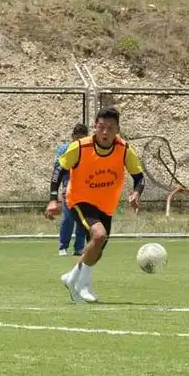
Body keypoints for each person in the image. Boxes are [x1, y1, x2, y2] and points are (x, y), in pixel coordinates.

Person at [44, 107, 145, 303]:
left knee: (95, 251)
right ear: (95, 128)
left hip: (106, 206)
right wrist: (52, 199)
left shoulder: (124, 149)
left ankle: (71, 277)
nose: (105, 132)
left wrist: (136, 193)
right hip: (79, 200)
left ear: (117, 129)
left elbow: (139, 176)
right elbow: (59, 168)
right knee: (98, 235)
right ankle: (84, 286)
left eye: (110, 127)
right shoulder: (81, 147)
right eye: (101, 127)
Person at [55, 123, 89, 256]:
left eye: (82, 139)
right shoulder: (64, 150)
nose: (79, 142)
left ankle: (79, 247)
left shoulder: (90, 150)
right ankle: (63, 246)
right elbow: (58, 169)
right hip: (68, 189)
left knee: (82, 220)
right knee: (68, 218)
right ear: (73, 137)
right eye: (77, 138)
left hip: (85, 189)